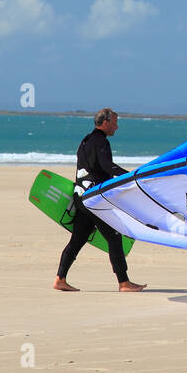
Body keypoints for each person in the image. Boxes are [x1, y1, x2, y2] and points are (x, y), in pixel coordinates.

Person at [53, 108, 146, 292]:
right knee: (113, 236)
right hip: (94, 200)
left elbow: (87, 168)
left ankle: (60, 278)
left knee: (78, 239)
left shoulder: (85, 141)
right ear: (106, 121)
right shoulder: (101, 141)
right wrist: (131, 177)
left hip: (80, 196)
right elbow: (106, 166)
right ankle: (124, 282)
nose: (117, 127)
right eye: (115, 122)